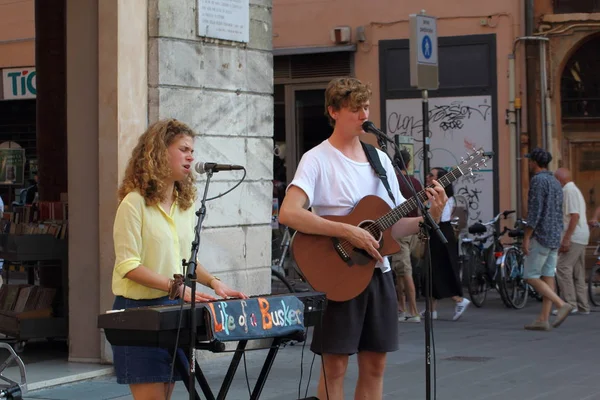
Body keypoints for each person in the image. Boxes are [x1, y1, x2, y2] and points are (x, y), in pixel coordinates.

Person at [278, 77, 448, 400]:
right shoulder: (317, 159)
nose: (363, 114)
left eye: (366, 107)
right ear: (333, 111)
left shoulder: (380, 160)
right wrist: (346, 230)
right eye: (355, 108)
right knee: (336, 369)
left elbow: (393, 227)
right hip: (340, 274)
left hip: (378, 273)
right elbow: (288, 213)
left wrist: (432, 215)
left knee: (375, 367)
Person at [111, 119, 247, 400]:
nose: (191, 156)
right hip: (138, 314)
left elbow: (185, 259)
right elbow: (128, 265)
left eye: (192, 151)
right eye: (184, 149)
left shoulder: (184, 206)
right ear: (160, 152)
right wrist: (177, 288)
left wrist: (214, 283)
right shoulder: (134, 203)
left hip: (173, 310)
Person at [522, 148, 572, 331]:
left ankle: (561, 304)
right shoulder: (556, 182)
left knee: (531, 276)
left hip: (541, 235)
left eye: (530, 160)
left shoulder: (538, 181)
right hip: (554, 234)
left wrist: (526, 237)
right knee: (548, 274)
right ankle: (543, 318)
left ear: (535, 162)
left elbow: (534, 212)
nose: (528, 163)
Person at [421, 167, 470, 321]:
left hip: (440, 233)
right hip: (441, 232)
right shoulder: (443, 196)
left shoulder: (442, 197)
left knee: (438, 269)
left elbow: (439, 218)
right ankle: (431, 310)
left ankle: (459, 299)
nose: (428, 177)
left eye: (432, 175)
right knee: (432, 270)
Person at [391, 148, 422, 322]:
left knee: (404, 270)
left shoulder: (394, 181)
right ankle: (401, 308)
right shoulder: (416, 183)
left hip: (399, 230)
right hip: (414, 229)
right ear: (408, 164)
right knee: (401, 270)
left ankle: (413, 311)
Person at [553, 168, 590, 315]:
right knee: (578, 272)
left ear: (560, 179)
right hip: (581, 236)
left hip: (574, 236)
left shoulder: (568, 191)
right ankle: (583, 306)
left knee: (563, 267)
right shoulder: (575, 190)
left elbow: (574, 216)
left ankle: (569, 304)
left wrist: (566, 238)